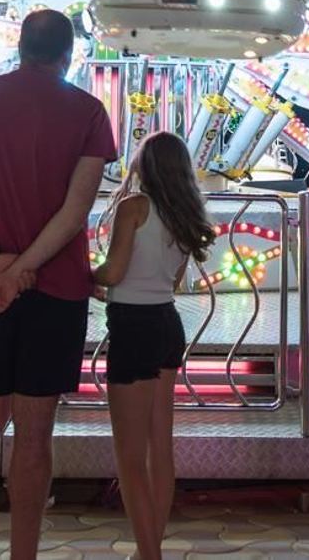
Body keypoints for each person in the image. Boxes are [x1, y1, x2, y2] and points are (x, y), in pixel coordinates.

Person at [0, 10, 117, 560]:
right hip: (56, 288)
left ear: (19, 46)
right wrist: (23, 271)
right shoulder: (88, 111)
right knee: (35, 431)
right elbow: (74, 213)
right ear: (70, 53)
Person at [89, 132, 215, 560]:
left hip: (133, 329)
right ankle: (149, 548)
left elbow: (114, 272)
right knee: (161, 449)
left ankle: (150, 554)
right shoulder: (182, 216)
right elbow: (169, 281)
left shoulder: (133, 207)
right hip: (166, 323)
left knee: (128, 456)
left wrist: (83, 273)